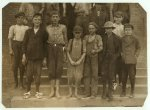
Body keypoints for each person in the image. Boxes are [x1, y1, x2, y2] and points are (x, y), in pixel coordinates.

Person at [22, 13, 48, 99]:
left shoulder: (43, 32)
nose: (37, 21)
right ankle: (28, 91)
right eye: (35, 19)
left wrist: (44, 58)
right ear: (33, 20)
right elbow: (24, 44)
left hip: (39, 58)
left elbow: (45, 46)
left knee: (38, 75)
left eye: (39, 19)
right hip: (29, 58)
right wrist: (24, 55)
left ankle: (37, 92)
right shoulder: (28, 32)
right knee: (29, 75)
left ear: (41, 21)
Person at [46, 11, 68, 98]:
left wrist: (65, 52)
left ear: (59, 18)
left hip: (60, 48)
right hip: (50, 48)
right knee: (51, 69)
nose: (55, 18)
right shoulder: (47, 28)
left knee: (59, 68)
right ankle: (52, 91)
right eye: (53, 17)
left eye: (56, 17)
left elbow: (66, 39)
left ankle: (57, 91)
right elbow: (45, 41)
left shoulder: (63, 27)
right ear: (51, 18)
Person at [8, 12, 29, 89]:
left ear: (24, 19)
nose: (20, 19)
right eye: (19, 18)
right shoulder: (13, 27)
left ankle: (21, 83)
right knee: (14, 65)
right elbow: (10, 39)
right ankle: (16, 83)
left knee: (22, 65)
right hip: (15, 45)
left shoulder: (26, 27)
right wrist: (10, 49)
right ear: (16, 19)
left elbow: (28, 39)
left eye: (22, 18)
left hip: (23, 46)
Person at [101, 21, 121, 101]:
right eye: (106, 28)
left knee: (111, 77)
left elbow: (119, 51)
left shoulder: (116, 38)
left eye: (109, 28)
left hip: (113, 60)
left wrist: (115, 57)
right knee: (104, 76)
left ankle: (110, 93)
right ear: (105, 29)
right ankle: (104, 92)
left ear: (112, 29)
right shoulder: (103, 37)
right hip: (105, 59)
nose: (108, 30)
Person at [120, 24, 141, 98]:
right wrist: (121, 53)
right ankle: (123, 91)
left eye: (129, 30)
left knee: (132, 76)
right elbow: (119, 48)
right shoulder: (122, 39)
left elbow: (138, 48)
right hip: (124, 60)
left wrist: (136, 55)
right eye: (126, 30)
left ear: (132, 31)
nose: (127, 31)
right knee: (123, 77)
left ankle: (132, 91)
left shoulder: (135, 39)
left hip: (132, 60)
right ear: (124, 31)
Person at [83, 22, 103, 98]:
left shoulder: (98, 37)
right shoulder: (85, 37)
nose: (91, 30)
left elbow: (101, 47)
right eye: (89, 28)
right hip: (86, 58)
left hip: (94, 57)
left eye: (92, 28)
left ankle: (93, 93)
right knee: (86, 74)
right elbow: (84, 46)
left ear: (96, 29)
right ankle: (87, 92)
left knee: (94, 75)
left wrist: (96, 51)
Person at [66, 25, 86, 98]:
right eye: (76, 32)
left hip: (79, 61)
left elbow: (84, 52)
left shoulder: (83, 41)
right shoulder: (71, 41)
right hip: (71, 60)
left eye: (79, 33)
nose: (77, 34)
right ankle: (70, 92)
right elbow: (67, 51)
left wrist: (79, 61)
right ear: (73, 33)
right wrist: (70, 60)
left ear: (81, 33)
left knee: (78, 77)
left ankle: (76, 92)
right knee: (70, 77)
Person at [112, 11, 124, 90]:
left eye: (120, 17)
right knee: (113, 64)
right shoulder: (112, 26)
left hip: (121, 47)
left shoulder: (123, 27)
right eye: (116, 17)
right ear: (114, 18)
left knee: (121, 64)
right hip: (113, 47)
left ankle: (121, 81)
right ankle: (114, 82)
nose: (118, 19)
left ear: (122, 18)